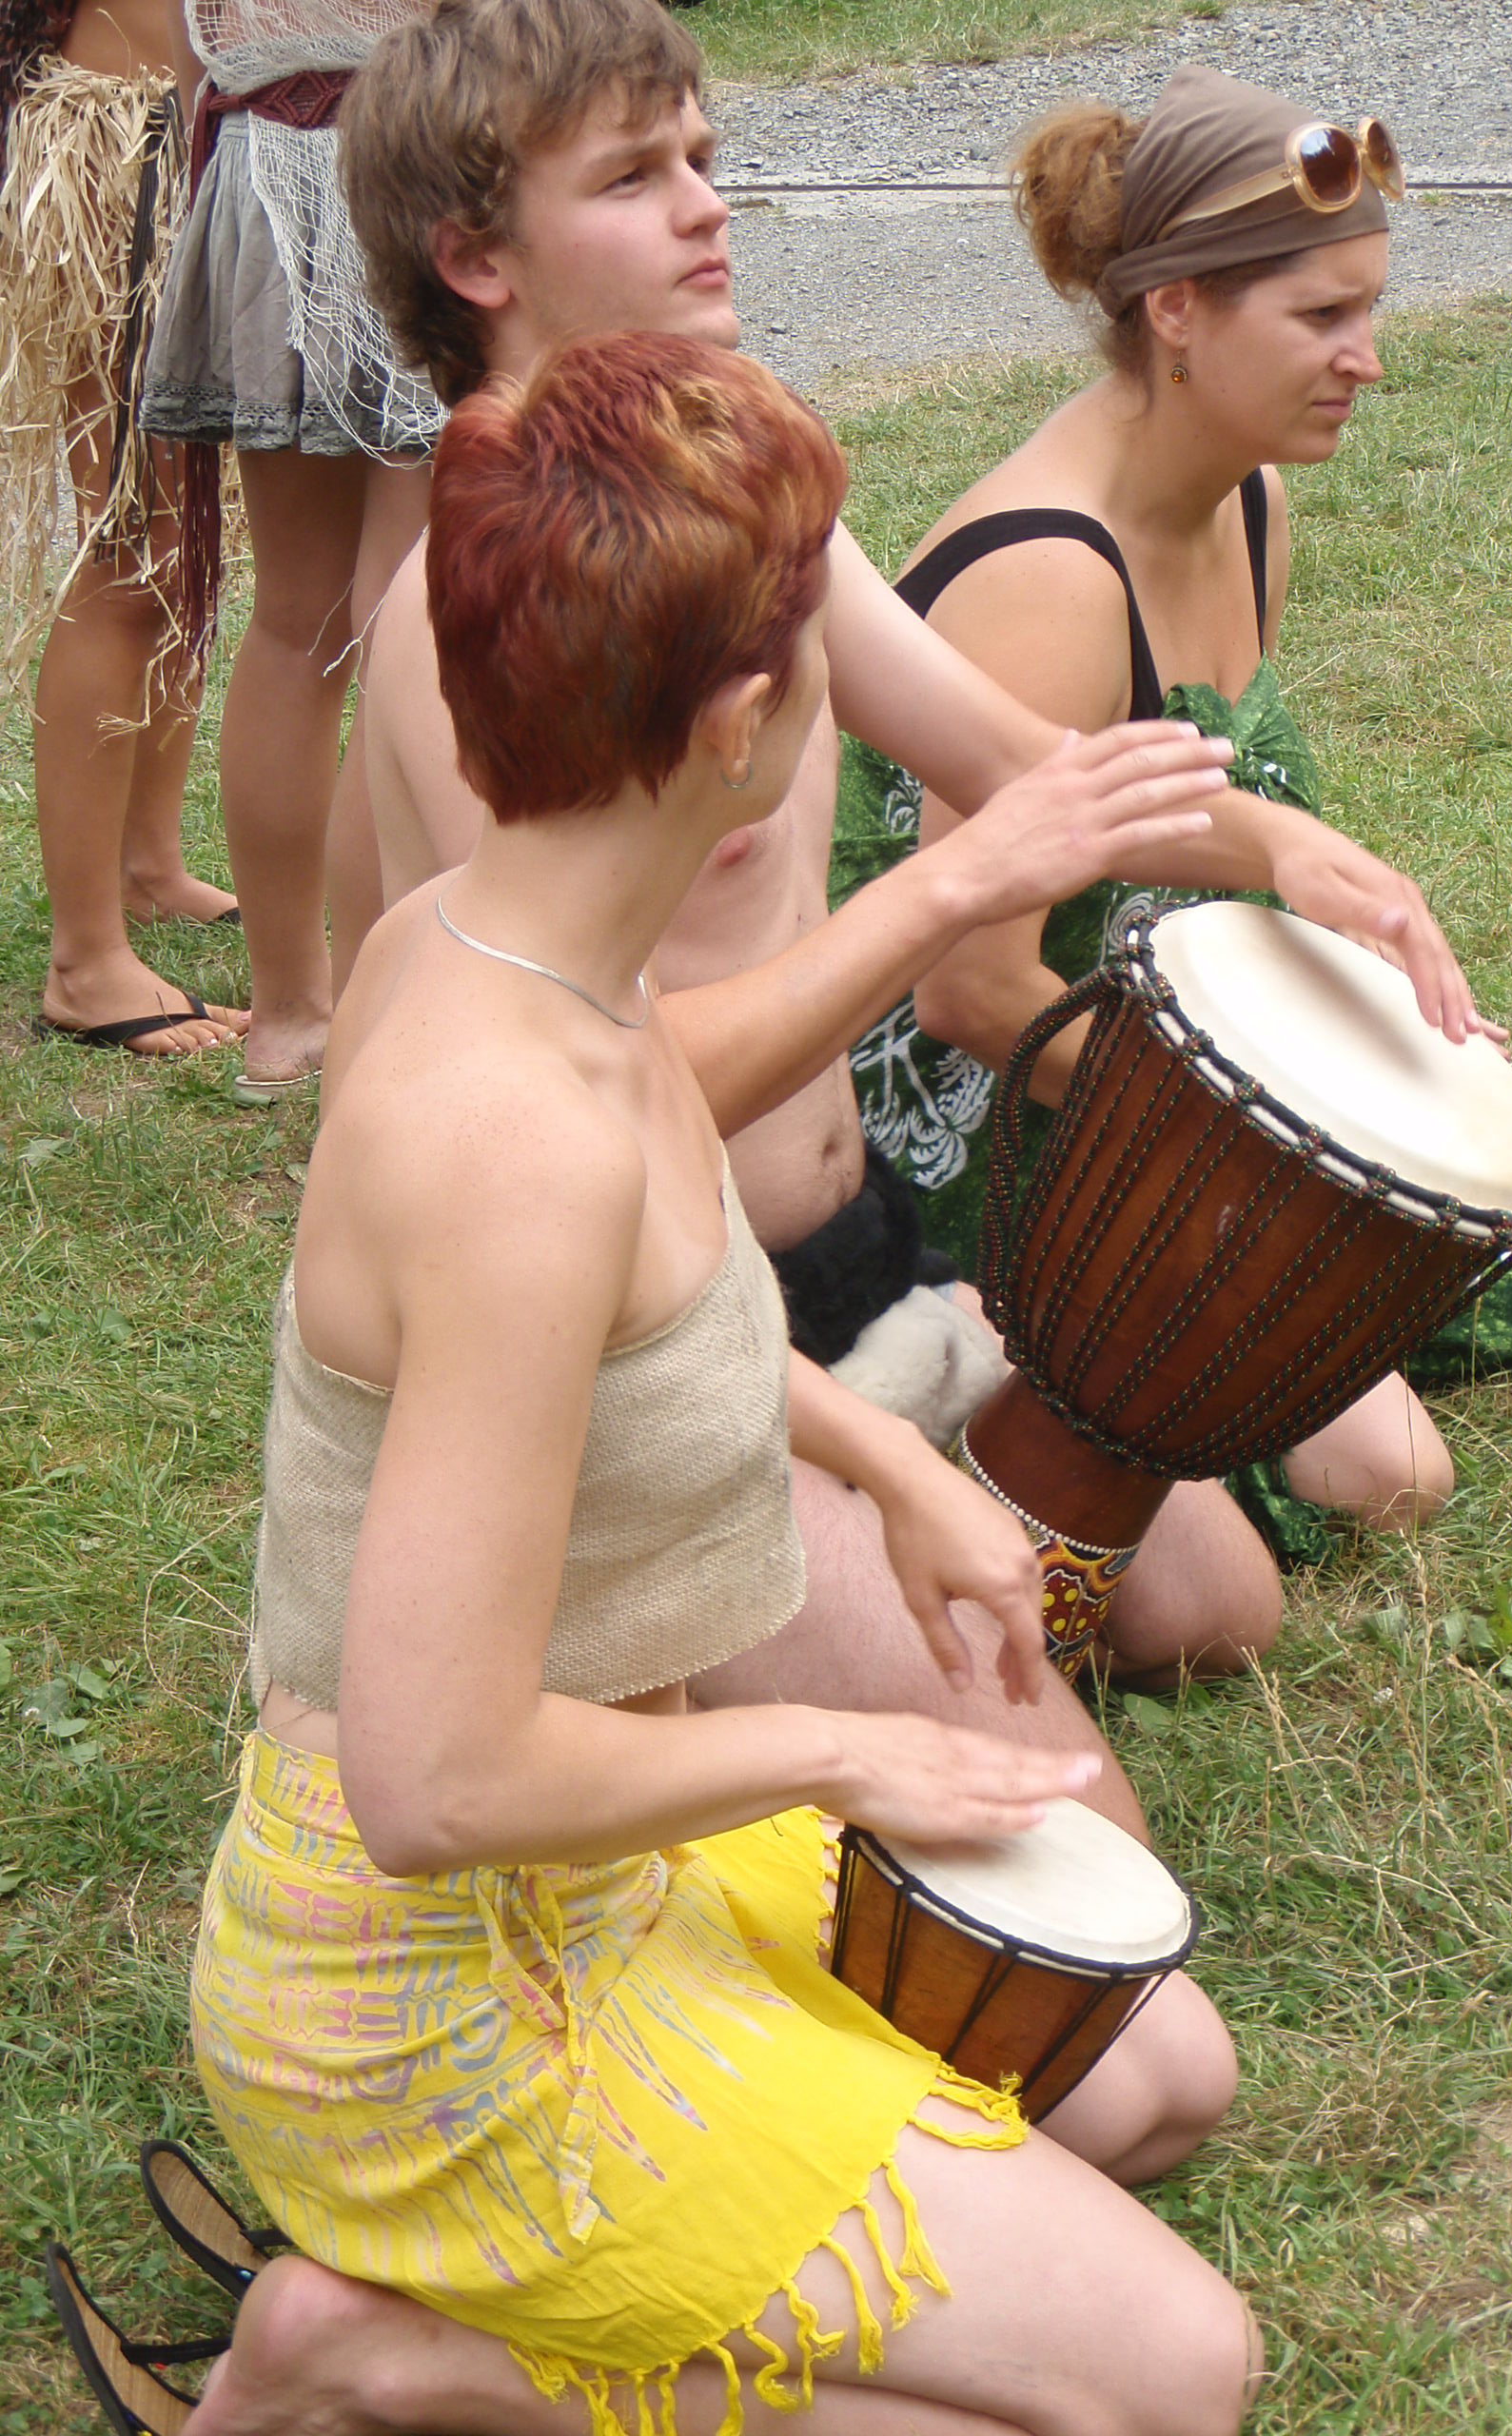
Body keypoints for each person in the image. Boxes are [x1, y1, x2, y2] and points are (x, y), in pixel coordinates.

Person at [179, 327, 1259, 2436]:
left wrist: (895, 1464)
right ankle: (371, 2362)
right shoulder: (520, 1148)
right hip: (442, 2008)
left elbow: (639, 1309)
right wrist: (848, 1752)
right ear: (746, 723)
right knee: (1176, 2380)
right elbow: (434, 1780)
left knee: (1159, 2077)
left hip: (603, 1881)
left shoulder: (487, 949)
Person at [344, 0, 1492, 1693]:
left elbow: (1019, 761)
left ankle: (847, 1574)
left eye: (704, 158)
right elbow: (568, 1091)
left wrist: (1294, 858)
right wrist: (949, 889)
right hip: (640, 1332)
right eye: (635, 177)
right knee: (1029, 1775)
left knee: (1213, 1613)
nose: (707, 205)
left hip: (857, 1245)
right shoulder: (472, 616)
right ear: (474, 258)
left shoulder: (732, 484)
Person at [833, 67, 1512, 1528]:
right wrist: (1266, 1147)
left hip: (1141, 1065)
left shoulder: (1249, 495)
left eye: (1370, 310)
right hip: (984, 1131)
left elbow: (1187, 844)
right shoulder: (1049, 574)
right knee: (1381, 1475)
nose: (1367, 359)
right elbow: (969, 994)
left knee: (1448, 1348)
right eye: (1322, 316)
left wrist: (1321, 941)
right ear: (1175, 311)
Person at [138, 0, 442, 1100]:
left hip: (258, 159)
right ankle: (372, 1007)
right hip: (414, 163)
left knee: (298, 619)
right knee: (400, 624)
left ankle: (291, 1014)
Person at [2, 0, 245, 1056]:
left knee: (195, 538)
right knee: (137, 547)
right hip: (126, 141)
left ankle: (148, 863)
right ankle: (84, 963)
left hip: (207, 124)